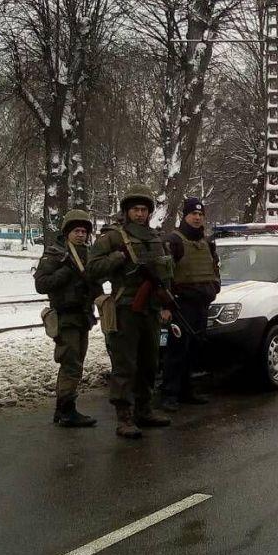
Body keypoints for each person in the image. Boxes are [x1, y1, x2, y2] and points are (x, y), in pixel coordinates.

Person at [87, 184, 173, 439]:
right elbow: (92, 270)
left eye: (144, 209)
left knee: (150, 362)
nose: (140, 214)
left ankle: (144, 409)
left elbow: (166, 274)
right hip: (126, 308)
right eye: (135, 209)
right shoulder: (113, 237)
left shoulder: (156, 237)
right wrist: (117, 258)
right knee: (125, 365)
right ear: (126, 211)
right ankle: (124, 416)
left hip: (151, 309)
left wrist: (167, 304)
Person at [34, 209, 101, 428]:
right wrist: (65, 272)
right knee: (70, 363)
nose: (81, 235)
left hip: (83, 316)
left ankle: (62, 409)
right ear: (67, 232)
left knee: (76, 362)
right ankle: (66, 411)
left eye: (84, 231)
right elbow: (41, 284)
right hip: (65, 317)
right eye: (76, 231)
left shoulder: (88, 254)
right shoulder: (56, 253)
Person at [161, 197, 220, 411]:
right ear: (185, 216)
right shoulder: (173, 241)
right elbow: (165, 276)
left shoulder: (207, 242)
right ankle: (169, 394)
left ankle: (187, 390)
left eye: (200, 214)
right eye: (193, 214)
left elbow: (215, 268)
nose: (197, 218)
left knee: (194, 349)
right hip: (180, 306)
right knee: (176, 351)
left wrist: (215, 287)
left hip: (201, 305)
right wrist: (166, 305)